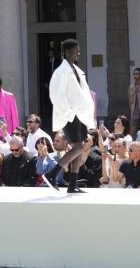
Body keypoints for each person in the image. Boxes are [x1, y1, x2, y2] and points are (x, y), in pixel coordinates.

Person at [43, 39, 95, 193]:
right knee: (78, 147)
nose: (78, 53)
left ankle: (72, 184)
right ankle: (51, 174)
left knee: (79, 147)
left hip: (79, 114)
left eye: (79, 50)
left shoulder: (76, 70)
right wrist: (69, 113)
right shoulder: (61, 71)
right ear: (67, 52)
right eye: (75, 50)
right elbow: (56, 95)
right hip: (70, 115)